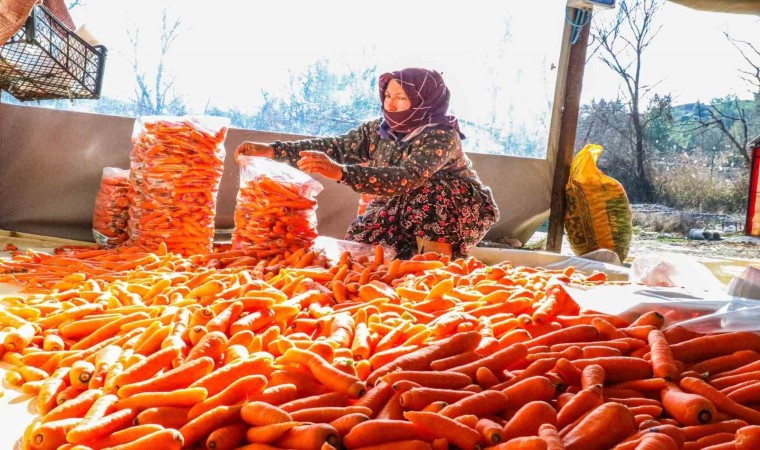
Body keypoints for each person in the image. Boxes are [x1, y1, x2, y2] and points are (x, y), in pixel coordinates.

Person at [235, 67, 499, 259]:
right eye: (388, 95)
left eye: (401, 97)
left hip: (454, 204)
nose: (391, 104)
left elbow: (407, 177)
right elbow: (335, 146)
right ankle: (401, 276)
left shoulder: (441, 134)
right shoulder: (377, 131)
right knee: (363, 248)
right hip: (398, 202)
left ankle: (436, 270)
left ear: (423, 100)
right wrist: (272, 150)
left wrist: (340, 172)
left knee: (432, 190)